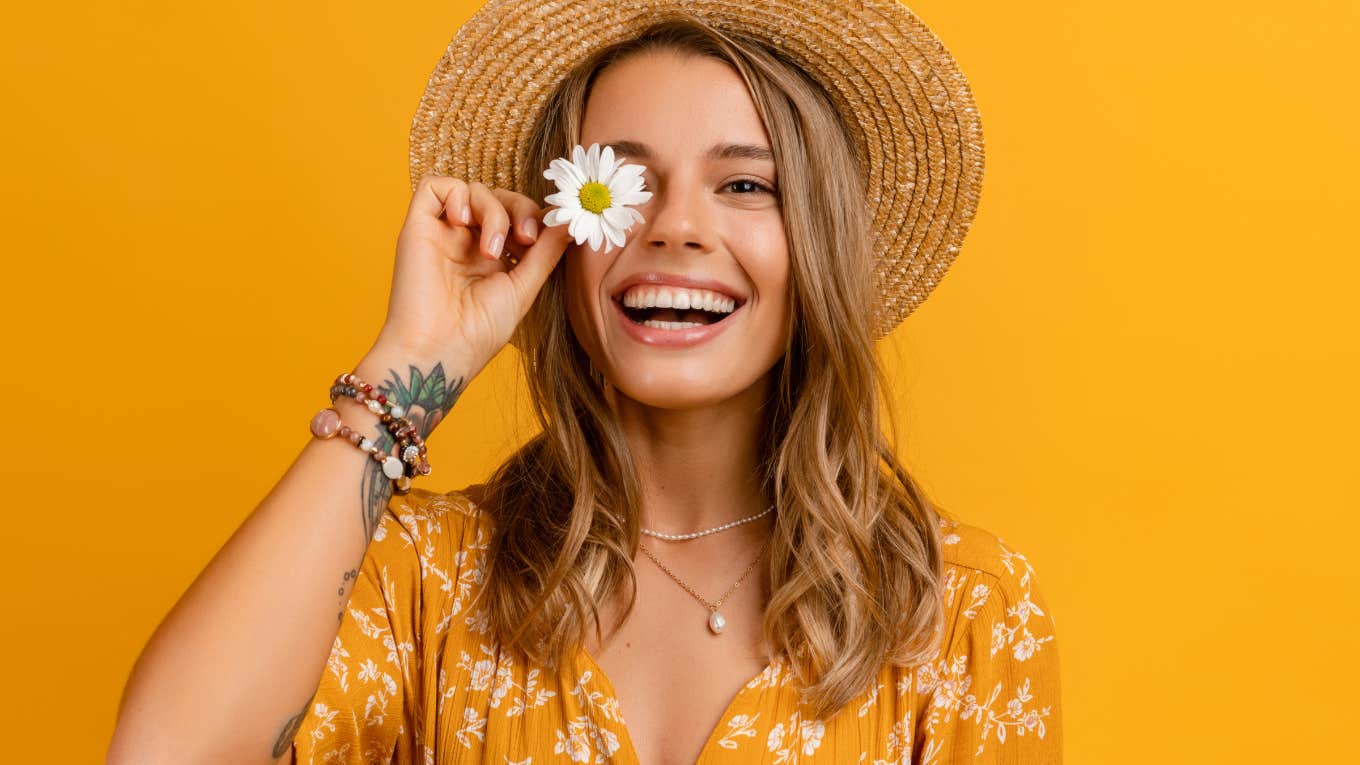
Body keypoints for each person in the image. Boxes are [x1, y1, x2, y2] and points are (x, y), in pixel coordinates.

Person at [109, 2, 1061, 763]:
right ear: (562, 237)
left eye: (745, 185)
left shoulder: (960, 610)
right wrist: (411, 359)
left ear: (817, 248)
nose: (674, 227)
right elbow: (167, 753)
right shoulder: (426, 579)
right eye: (624, 186)